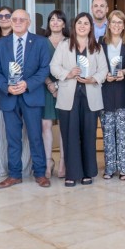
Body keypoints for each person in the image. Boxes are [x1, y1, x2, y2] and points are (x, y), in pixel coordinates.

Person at [0, 9, 53, 189]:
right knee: (12, 138)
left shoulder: (40, 42)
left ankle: (40, 174)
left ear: (29, 22)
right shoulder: (0, 44)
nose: (17, 22)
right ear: (10, 22)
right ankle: (14, 175)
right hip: (9, 96)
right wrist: (6, 87)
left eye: (22, 19)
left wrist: (27, 84)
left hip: (31, 95)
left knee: (35, 137)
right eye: (14, 19)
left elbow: (44, 69)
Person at [50, 13, 108, 187]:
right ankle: (72, 173)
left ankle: (88, 172)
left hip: (90, 97)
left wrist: (93, 79)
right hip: (68, 97)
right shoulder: (64, 45)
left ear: (91, 27)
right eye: (79, 23)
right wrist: (67, 74)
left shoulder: (97, 47)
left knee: (88, 135)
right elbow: (53, 66)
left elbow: (104, 70)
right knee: (70, 136)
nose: (82, 26)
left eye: (86, 23)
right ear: (74, 26)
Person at [0, 6, 32, 178]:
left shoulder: (30, 40)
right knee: (2, 130)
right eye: (1, 16)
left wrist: (25, 84)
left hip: (25, 89)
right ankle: (2, 165)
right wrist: (6, 86)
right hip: (2, 88)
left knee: (25, 132)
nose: (5, 19)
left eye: (8, 16)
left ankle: (24, 166)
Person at [99, 10, 125, 180]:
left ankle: (124, 168)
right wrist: (104, 74)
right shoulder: (100, 42)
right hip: (105, 91)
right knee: (108, 133)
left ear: (124, 25)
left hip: (124, 91)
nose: (117, 25)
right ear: (109, 24)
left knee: (123, 134)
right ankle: (110, 168)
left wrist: (123, 72)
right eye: (114, 22)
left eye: (120, 22)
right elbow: (95, 64)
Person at [43, 10, 69, 178]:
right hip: (45, 87)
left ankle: (63, 162)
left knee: (63, 125)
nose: (55, 22)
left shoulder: (70, 42)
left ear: (64, 24)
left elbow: (71, 66)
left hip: (65, 87)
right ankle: (48, 161)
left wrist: (58, 86)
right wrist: (50, 85)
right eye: (52, 19)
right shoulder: (42, 42)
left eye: (59, 20)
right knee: (45, 125)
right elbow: (38, 66)